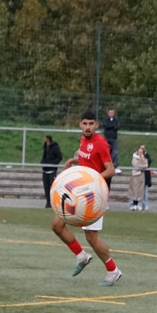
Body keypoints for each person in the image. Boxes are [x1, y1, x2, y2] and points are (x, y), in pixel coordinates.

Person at [53, 110, 122, 287]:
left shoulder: (100, 143)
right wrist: (73, 161)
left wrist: (93, 181)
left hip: (94, 197)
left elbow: (110, 170)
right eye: (85, 124)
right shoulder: (83, 140)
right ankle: (81, 256)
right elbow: (88, 162)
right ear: (80, 125)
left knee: (91, 237)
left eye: (91, 124)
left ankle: (113, 270)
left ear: (96, 125)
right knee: (57, 225)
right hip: (80, 193)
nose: (88, 127)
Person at [41, 135, 63, 208]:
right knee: (46, 187)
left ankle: (54, 201)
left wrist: (53, 164)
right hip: (45, 170)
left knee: (52, 187)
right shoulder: (45, 147)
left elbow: (59, 157)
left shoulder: (55, 147)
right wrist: (42, 163)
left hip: (52, 170)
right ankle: (48, 202)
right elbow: (44, 156)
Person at [127, 144, 146, 210]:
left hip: (141, 176)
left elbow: (146, 165)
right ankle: (134, 204)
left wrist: (142, 160)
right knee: (135, 190)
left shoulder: (144, 158)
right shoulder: (134, 157)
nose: (140, 153)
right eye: (139, 152)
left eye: (141, 152)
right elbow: (135, 165)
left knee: (140, 190)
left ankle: (137, 204)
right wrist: (141, 166)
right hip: (135, 175)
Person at [103, 109, 121, 173]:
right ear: (108, 113)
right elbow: (105, 126)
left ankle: (115, 165)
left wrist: (110, 126)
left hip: (114, 138)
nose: (111, 114)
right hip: (107, 138)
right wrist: (112, 126)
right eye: (110, 112)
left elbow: (117, 127)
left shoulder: (116, 120)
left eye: (112, 113)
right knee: (106, 152)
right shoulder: (105, 119)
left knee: (115, 152)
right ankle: (105, 166)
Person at [140, 144, 152, 211]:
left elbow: (149, 162)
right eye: (141, 148)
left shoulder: (147, 156)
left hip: (146, 176)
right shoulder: (136, 155)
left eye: (143, 148)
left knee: (145, 192)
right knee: (136, 192)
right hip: (138, 176)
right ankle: (135, 204)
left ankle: (145, 204)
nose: (142, 150)